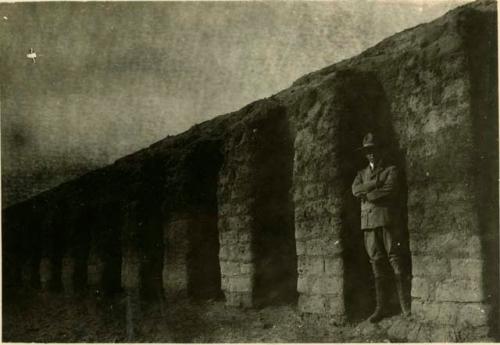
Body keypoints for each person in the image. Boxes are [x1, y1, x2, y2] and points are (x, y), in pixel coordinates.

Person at [351, 132, 411, 323]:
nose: (372, 154)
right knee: (376, 262)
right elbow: (354, 190)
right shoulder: (361, 174)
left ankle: (405, 306)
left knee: (395, 258)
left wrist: (368, 195)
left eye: (374, 150)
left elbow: (390, 189)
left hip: (386, 220)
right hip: (368, 224)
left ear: (380, 150)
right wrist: (375, 183)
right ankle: (381, 308)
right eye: (368, 151)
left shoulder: (391, 170)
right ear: (365, 154)